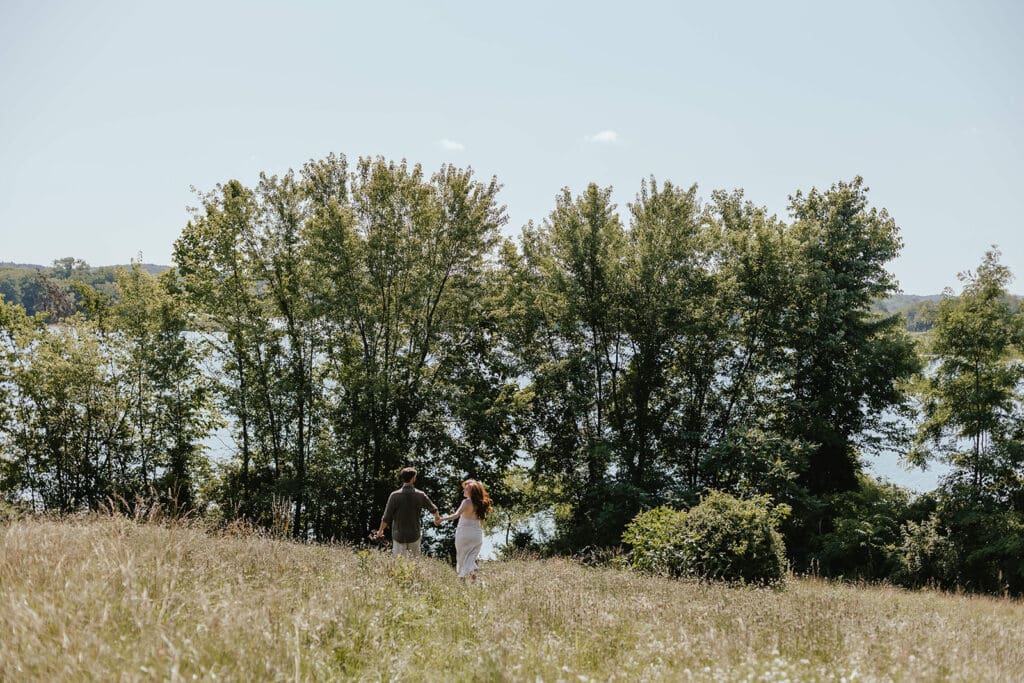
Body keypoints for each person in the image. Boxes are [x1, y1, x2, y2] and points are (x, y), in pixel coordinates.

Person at [371, 467, 440, 557]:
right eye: (415, 477)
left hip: (399, 535)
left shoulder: (394, 495)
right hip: (414, 534)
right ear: (412, 479)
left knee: (399, 564)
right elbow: (434, 509)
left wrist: (380, 531)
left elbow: (386, 517)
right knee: (415, 564)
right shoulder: (420, 494)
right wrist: (437, 519)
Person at [437, 479, 492, 583]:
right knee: (471, 558)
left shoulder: (466, 502)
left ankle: (462, 581)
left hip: (464, 533)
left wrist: (442, 519)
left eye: (466, 489)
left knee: (462, 558)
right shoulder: (482, 504)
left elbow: (456, 515)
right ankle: (473, 577)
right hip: (476, 534)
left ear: (471, 492)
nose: (463, 491)